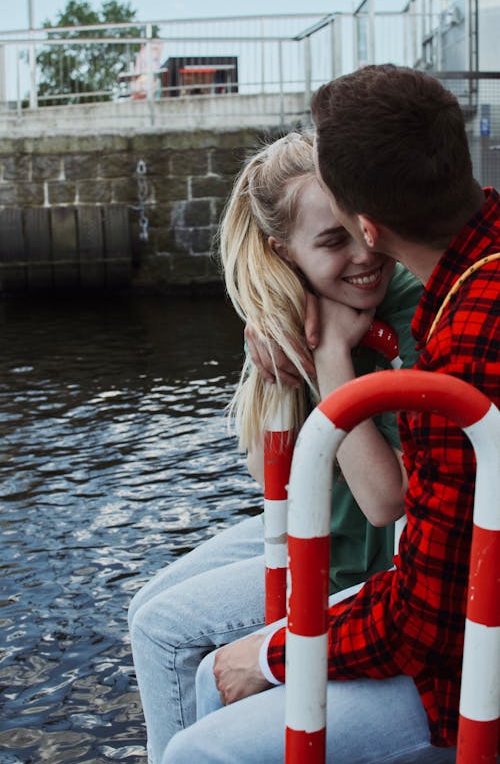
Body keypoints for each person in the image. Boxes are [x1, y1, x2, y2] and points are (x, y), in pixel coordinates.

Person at [162, 66, 500, 763]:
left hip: (470, 678)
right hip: (451, 616)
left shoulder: (460, 344)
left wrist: (273, 655)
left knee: (201, 747)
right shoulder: (470, 281)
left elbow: (425, 622)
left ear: (370, 228)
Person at [128, 130, 421, 763]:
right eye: (331, 240)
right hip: (325, 528)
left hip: (365, 554)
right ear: (282, 252)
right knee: (148, 611)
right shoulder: (292, 305)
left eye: (362, 227)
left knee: (169, 636)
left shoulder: (403, 307)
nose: (365, 252)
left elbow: (385, 502)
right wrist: (272, 330)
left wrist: (330, 358)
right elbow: (272, 477)